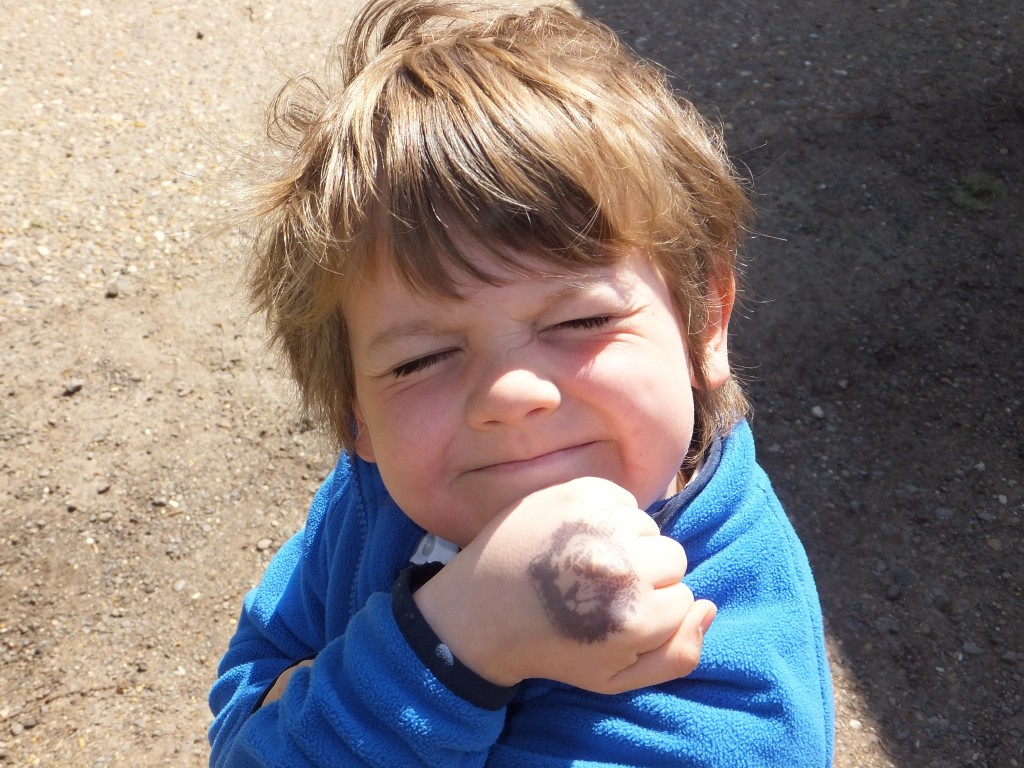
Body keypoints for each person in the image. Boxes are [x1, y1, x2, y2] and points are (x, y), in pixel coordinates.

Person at [208, 0, 835, 765]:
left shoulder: (728, 685)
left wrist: (442, 651)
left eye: (580, 321)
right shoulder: (375, 495)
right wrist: (453, 637)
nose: (511, 394)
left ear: (703, 322)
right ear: (355, 417)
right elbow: (249, 690)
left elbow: (264, 734)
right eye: (419, 360)